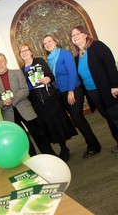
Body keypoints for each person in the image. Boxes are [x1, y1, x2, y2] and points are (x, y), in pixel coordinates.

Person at [43, 32, 102, 158]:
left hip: (74, 90)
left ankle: (93, 146)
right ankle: (94, 144)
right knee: (78, 120)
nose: (47, 44)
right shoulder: (48, 59)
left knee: (77, 119)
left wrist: (70, 91)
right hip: (61, 93)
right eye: (45, 43)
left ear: (55, 41)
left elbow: (72, 73)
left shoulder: (64, 54)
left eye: (50, 41)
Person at [0, 53, 57, 157]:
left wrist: (12, 100)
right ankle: (32, 160)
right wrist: (2, 103)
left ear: (6, 61)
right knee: (21, 139)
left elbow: (25, 90)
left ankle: (50, 156)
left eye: (1, 61)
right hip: (8, 113)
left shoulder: (17, 73)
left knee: (39, 134)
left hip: (24, 108)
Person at [19, 43, 78, 161]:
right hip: (36, 102)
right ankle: (56, 150)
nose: (24, 53)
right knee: (47, 126)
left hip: (49, 98)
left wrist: (48, 79)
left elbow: (51, 75)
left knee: (57, 122)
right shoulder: (21, 70)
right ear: (20, 55)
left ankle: (64, 148)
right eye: (22, 51)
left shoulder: (39, 61)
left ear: (31, 51)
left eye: (26, 50)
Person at [70, 25, 118, 153]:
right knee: (107, 117)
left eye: (77, 34)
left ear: (85, 34)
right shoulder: (76, 57)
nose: (75, 37)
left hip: (107, 89)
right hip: (93, 92)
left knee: (115, 115)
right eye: (73, 36)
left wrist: (115, 85)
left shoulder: (96, 46)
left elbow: (110, 64)